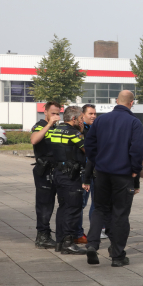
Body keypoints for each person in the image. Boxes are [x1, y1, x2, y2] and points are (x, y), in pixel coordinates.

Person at [84, 90, 143, 267]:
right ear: (131, 103)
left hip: (102, 173)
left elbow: (89, 144)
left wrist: (98, 161)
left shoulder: (101, 120)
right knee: (120, 214)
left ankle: (92, 244)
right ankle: (117, 256)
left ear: (116, 101)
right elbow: (138, 149)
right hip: (123, 175)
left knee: (99, 209)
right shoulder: (134, 122)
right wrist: (135, 169)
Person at [48, 106, 89, 255]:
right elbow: (88, 150)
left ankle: (60, 241)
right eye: (80, 119)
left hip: (58, 174)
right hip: (71, 176)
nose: (82, 121)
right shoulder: (74, 133)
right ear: (74, 119)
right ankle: (68, 242)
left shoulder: (55, 130)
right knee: (73, 208)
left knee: (63, 208)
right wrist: (83, 132)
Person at [30, 101, 60, 249]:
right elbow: (34, 139)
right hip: (44, 171)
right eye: (53, 113)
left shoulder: (58, 128)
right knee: (44, 204)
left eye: (58, 113)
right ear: (46, 113)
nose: (56, 116)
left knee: (59, 204)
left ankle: (60, 235)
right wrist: (48, 125)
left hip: (58, 170)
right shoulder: (40, 125)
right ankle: (42, 236)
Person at [75, 104, 97, 243]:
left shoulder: (93, 128)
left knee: (97, 203)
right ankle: (78, 233)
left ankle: (95, 230)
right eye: (90, 114)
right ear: (82, 115)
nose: (93, 116)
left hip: (95, 170)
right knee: (81, 203)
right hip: (84, 171)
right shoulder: (79, 130)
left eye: (95, 114)